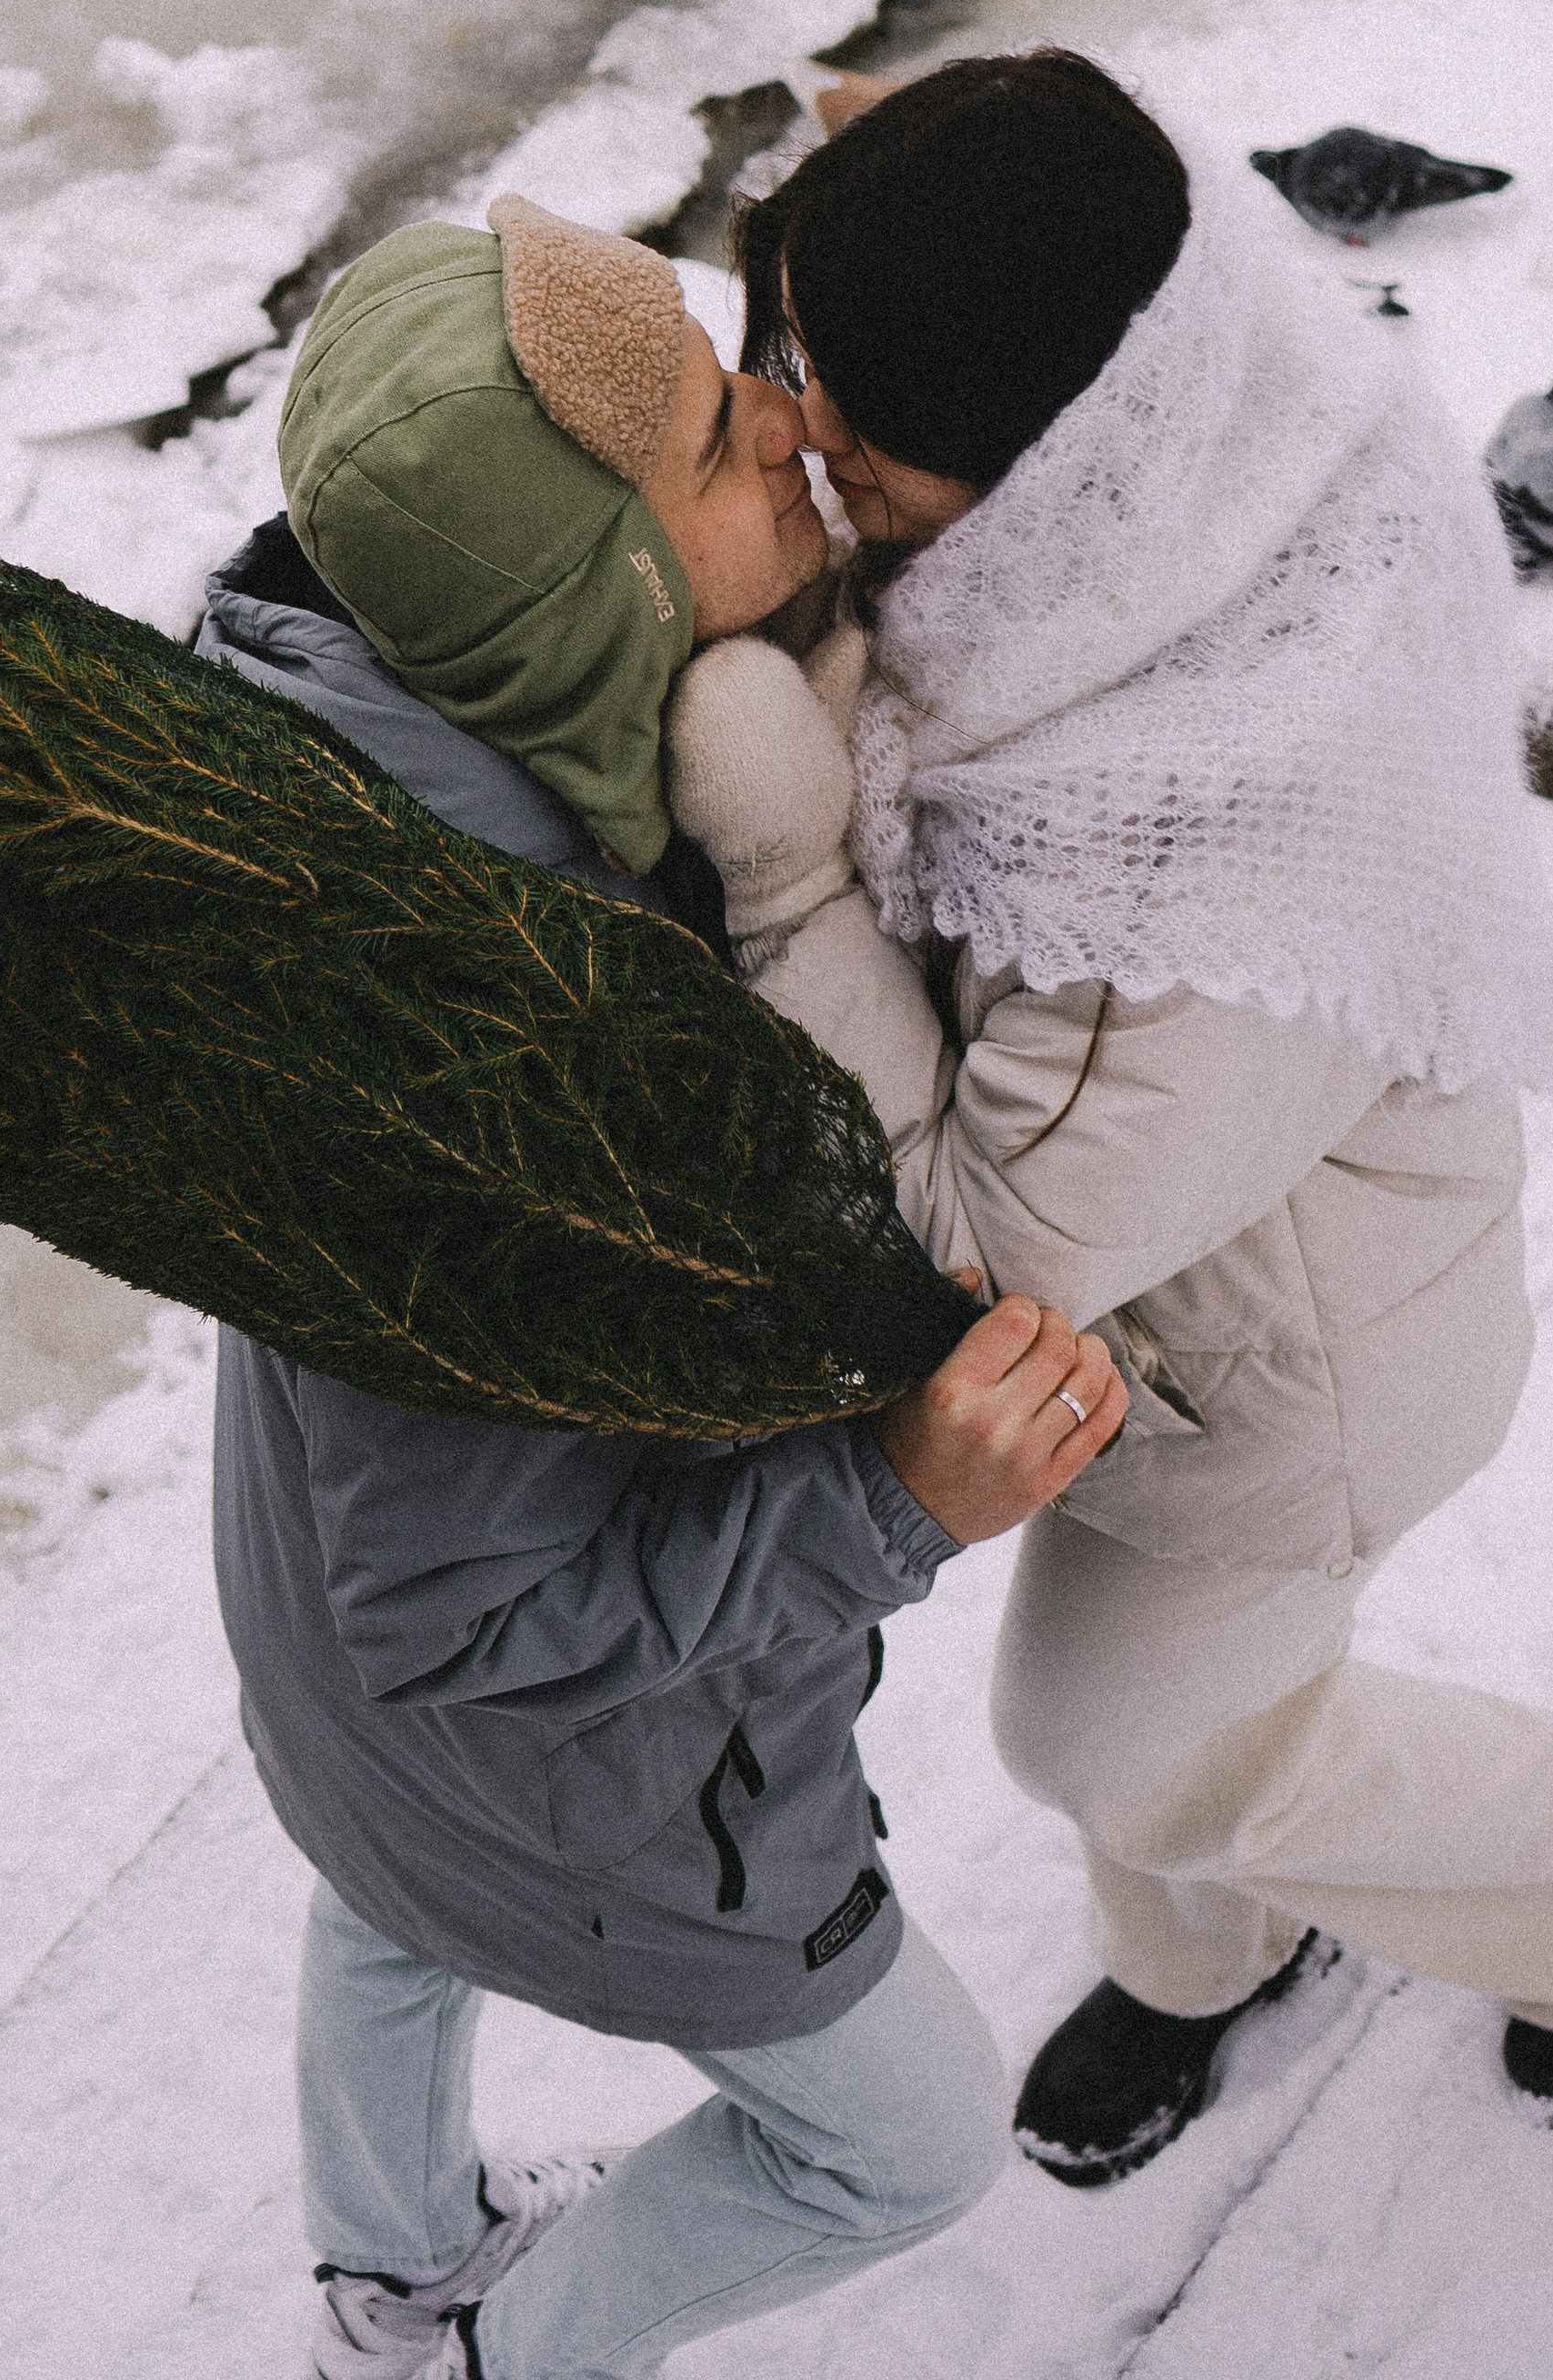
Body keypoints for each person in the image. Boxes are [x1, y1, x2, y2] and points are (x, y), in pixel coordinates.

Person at [664, 48, 1553, 2171]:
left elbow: (994, 1234)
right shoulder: (1214, 448)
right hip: (1215, 1296)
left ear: (1057, 466)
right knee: (1183, 1744)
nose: (799, 452)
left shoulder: (1181, 848)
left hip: (1282, 1384)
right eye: (791, 381)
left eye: (864, 444)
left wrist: (776, 871)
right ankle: (1208, 1961)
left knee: (1117, 1739)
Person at [196, 193, 1129, 2380]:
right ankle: (483, 2364)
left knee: (386, 1897)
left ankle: (383, 2256)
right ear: (593, 597)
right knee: (901, 2147)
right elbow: (471, 1617)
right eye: (724, 438)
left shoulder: (332, 774)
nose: (798, 421)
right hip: (580, 1778)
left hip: (335, 1715)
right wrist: (899, 1496)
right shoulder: (515, 1055)